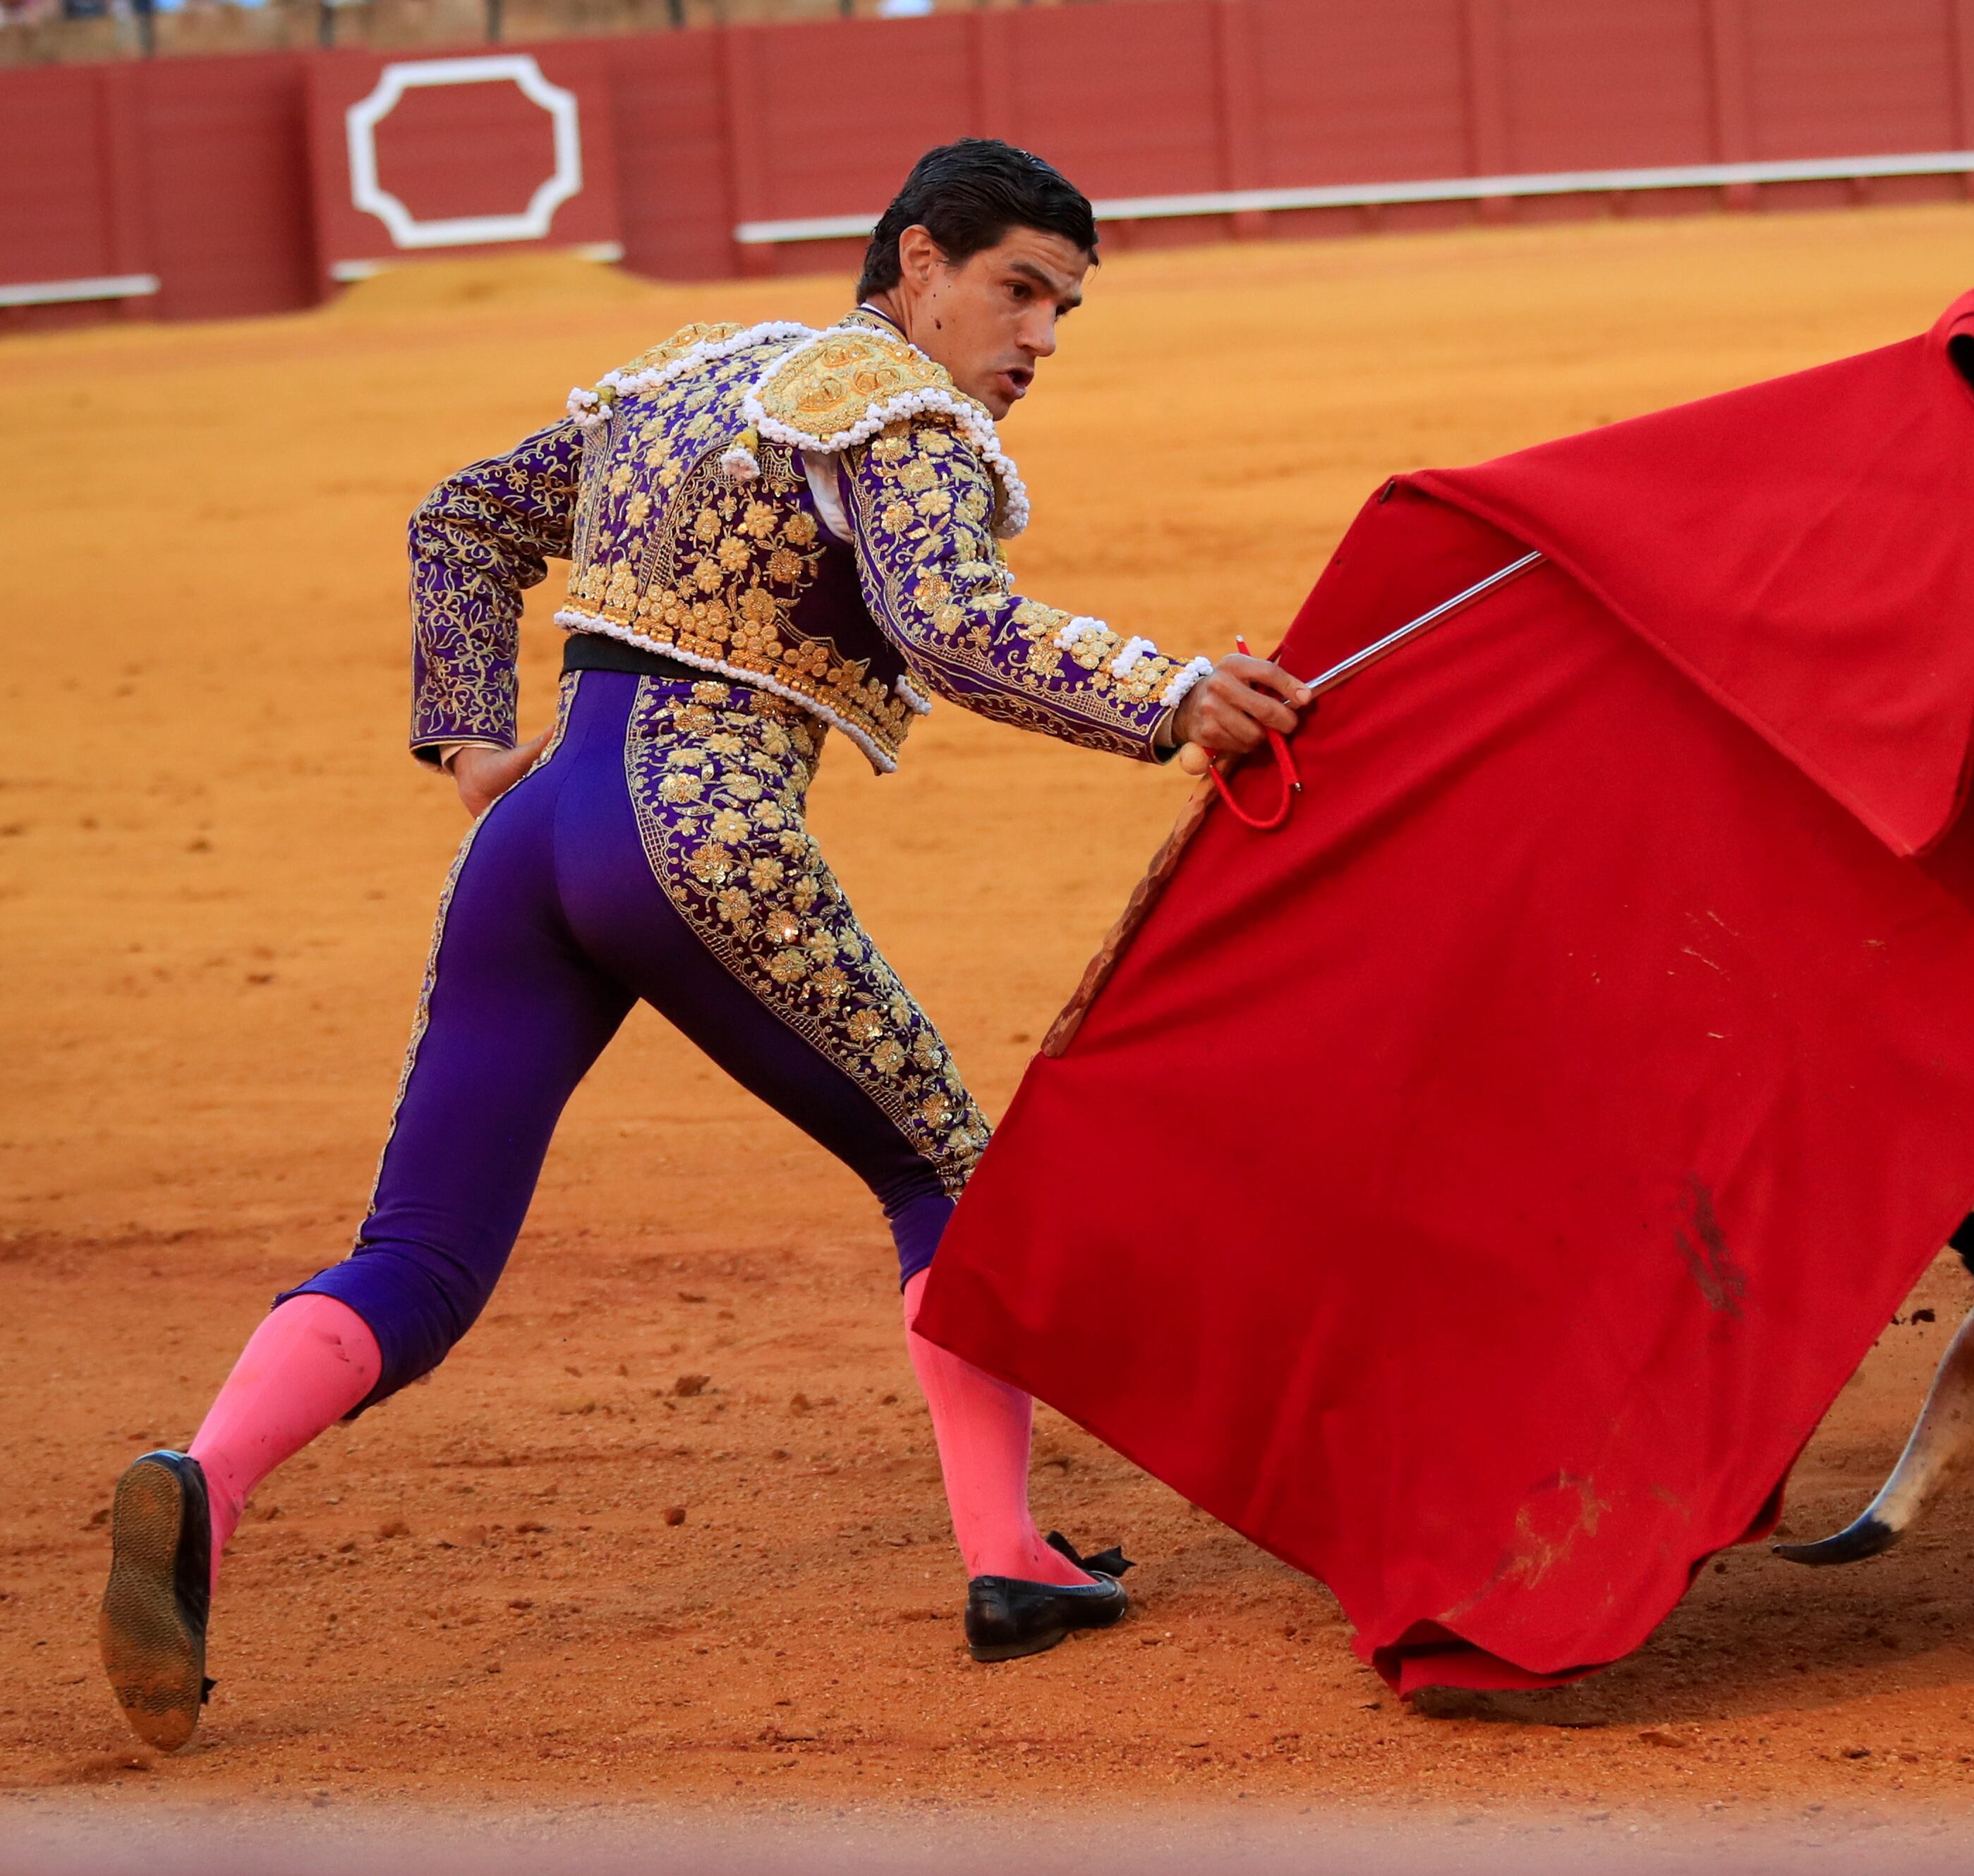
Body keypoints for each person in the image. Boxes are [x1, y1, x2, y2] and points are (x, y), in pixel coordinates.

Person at [97, 138, 1310, 1753]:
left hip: (531, 844)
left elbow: (459, 523)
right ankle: (1009, 1559)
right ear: (915, 267)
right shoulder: (902, 408)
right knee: (947, 1171)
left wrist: (475, 749)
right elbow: (953, 624)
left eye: (1062, 310)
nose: (1034, 339)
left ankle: (206, 1478)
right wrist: (1171, 698)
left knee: (425, 1252)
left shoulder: (696, 374)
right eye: (1017, 290)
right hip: (702, 830)